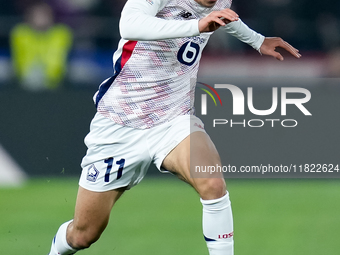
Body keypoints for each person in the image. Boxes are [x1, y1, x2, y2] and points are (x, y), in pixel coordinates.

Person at [48, 0, 301, 254]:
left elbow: (223, 16)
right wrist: (195, 26)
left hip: (174, 119)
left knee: (212, 183)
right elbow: (129, 24)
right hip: (121, 121)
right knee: (83, 234)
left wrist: (257, 41)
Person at [10, 3, 72, 90]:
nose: (41, 19)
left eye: (45, 15)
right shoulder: (21, 33)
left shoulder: (61, 33)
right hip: (26, 81)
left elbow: (57, 57)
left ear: (51, 17)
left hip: (55, 82)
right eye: (37, 15)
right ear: (30, 17)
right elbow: (21, 59)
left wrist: (49, 76)